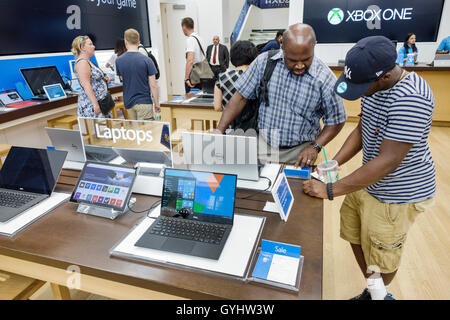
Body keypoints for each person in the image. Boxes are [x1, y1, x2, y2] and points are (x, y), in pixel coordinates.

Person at [303, 36, 436, 300]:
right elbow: (364, 128)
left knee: (382, 252)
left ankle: (378, 294)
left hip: (397, 194)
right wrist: (336, 162)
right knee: (355, 232)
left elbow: (388, 161)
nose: (359, 91)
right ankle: (374, 290)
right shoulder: (375, 86)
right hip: (369, 180)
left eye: (361, 86)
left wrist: (330, 189)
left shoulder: (412, 98)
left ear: (385, 77)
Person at [216, 23, 347, 166]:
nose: (299, 66)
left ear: (313, 46)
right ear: (282, 46)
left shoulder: (325, 79)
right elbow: (240, 97)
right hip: (262, 146)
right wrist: (219, 130)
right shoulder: (264, 62)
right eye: (292, 60)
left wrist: (316, 146)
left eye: (306, 59)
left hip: (299, 153)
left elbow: (337, 120)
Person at [115, 28, 159, 120]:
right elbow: (153, 85)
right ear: (139, 42)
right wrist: (157, 103)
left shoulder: (118, 61)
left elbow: (122, 79)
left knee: (136, 132)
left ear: (125, 41)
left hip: (128, 103)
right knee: (146, 131)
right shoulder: (147, 60)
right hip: (144, 102)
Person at [71, 35, 111, 118]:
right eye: (90, 44)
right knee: (98, 129)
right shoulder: (82, 63)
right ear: (82, 48)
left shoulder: (88, 62)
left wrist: (103, 79)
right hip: (92, 105)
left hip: (102, 102)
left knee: (105, 129)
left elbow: (92, 78)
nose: (94, 46)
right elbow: (86, 85)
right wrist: (95, 104)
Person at [214, 40, 257, 112]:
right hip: (254, 122)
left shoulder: (222, 77)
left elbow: (217, 107)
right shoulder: (257, 75)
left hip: (229, 121)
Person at [181, 17, 206, 93]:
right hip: (203, 74)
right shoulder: (200, 38)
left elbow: (190, 60)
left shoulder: (190, 40)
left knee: (190, 100)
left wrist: (186, 78)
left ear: (184, 27)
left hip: (194, 76)